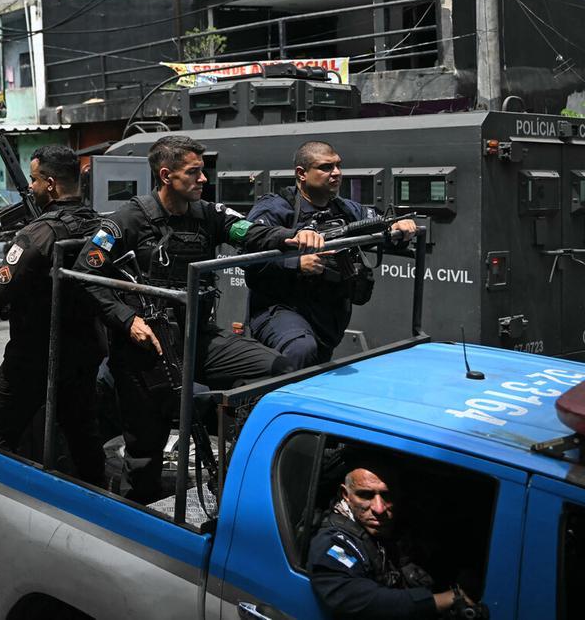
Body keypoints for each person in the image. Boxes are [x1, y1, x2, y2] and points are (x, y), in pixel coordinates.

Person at [73, 135, 323, 502]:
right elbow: (84, 273)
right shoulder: (127, 220)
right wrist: (127, 320)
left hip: (197, 337)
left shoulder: (208, 214)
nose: (203, 179)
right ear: (166, 175)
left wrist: (292, 237)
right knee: (144, 457)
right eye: (194, 172)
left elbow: (250, 232)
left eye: (202, 171)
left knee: (279, 368)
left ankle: (234, 465)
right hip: (145, 350)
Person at [0, 145, 106, 486]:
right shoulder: (102, 225)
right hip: (84, 351)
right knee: (82, 437)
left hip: (34, 356)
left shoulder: (37, 234)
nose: (30, 187)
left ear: (50, 183)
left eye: (33, 180)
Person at [247, 141, 419, 369]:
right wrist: (296, 263)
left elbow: (379, 225)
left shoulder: (345, 209)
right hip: (280, 310)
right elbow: (249, 253)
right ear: (301, 174)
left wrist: (399, 227)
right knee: (301, 350)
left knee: (314, 367)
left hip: (327, 316)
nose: (336, 173)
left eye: (338, 166)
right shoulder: (276, 208)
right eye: (326, 167)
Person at [309, 459, 478, 619]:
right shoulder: (333, 542)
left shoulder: (404, 522)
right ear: (346, 495)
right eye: (366, 495)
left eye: (387, 495)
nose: (379, 508)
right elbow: (350, 597)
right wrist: (441, 600)